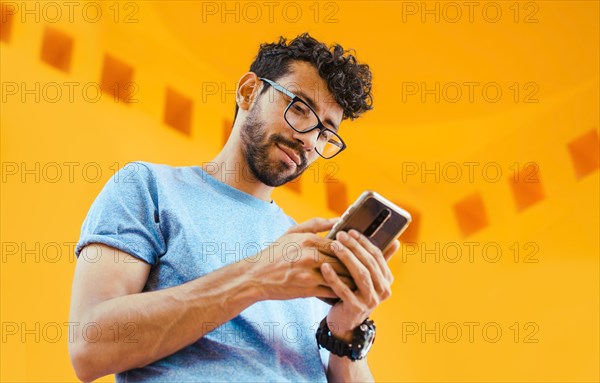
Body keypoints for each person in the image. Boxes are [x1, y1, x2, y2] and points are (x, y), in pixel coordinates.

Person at [68, 32, 399, 382]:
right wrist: (257, 277)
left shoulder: (305, 249)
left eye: (324, 133)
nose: (308, 138)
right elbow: (91, 347)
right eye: (300, 108)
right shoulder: (147, 187)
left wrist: (347, 333)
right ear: (248, 91)